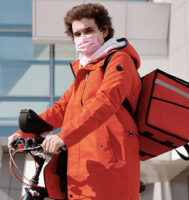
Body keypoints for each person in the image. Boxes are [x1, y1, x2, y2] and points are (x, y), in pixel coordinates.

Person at [8, 3, 141, 200]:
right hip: (82, 166)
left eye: (88, 31)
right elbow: (61, 109)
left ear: (104, 31)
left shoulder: (119, 60)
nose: (82, 37)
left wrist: (64, 136)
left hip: (109, 164)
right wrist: (23, 133)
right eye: (77, 34)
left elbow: (106, 102)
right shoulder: (87, 71)